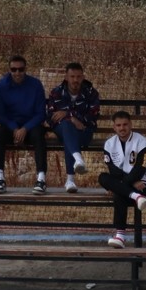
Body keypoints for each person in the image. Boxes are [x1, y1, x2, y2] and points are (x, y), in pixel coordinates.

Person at [0, 55, 48, 195]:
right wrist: (14, 128)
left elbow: (41, 113)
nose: (17, 73)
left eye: (20, 69)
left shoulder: (35, 85)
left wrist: (25, 128)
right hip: (12, 127)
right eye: (14, 69)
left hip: (31, 126)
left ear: (25, 69)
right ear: (9, 70)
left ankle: (41, 179)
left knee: (39, 135)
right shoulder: (2, 85)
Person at [98, 111, 146, 249]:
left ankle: (120, 236)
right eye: (118, 125)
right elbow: (113, 171)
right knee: (102, 177)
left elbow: (141, 168)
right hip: (134, 191)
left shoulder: (141, 141)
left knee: (119, 193)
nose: (122, 128)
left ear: (131, 125)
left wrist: (121, 185)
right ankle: (136, 197)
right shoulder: (109, 144)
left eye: (125, 124)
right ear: (114, 127)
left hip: (142, 184)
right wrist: (128, 185)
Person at [45, 62, 101, 193]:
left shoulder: (91, 93)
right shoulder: (56, 92)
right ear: (66, 77)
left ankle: (71, 179)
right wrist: (71, 119)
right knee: (66, 126)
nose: (75, 80)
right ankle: (77, 161)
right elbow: (50, 118)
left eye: (78, 77)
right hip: (62, 130)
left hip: (84, 132)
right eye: (72, 76)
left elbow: (93, 116)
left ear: (83, 77)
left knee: (69, 137)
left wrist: (68, 114)